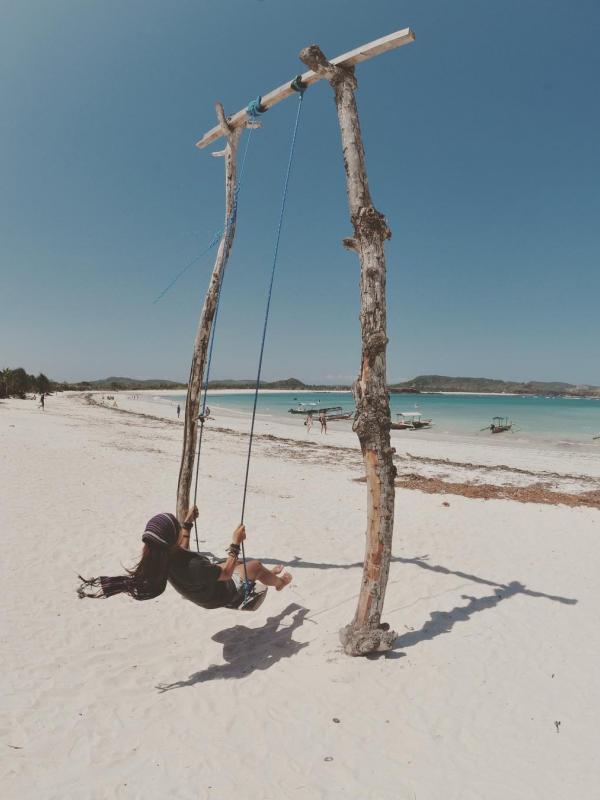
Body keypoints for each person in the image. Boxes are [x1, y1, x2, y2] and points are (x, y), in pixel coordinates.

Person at [77, 507, 292, 609]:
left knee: (236, 564)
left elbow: (183, 548)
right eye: (178, 526)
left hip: (201, 591)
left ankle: (263, 574)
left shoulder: (163, 558)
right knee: (252, 565)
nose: (181, 528)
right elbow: (225, 575)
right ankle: (279, 582)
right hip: (220, 595)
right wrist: (235, 542)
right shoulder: (194, 565)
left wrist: (188, 524)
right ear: (173, 539)